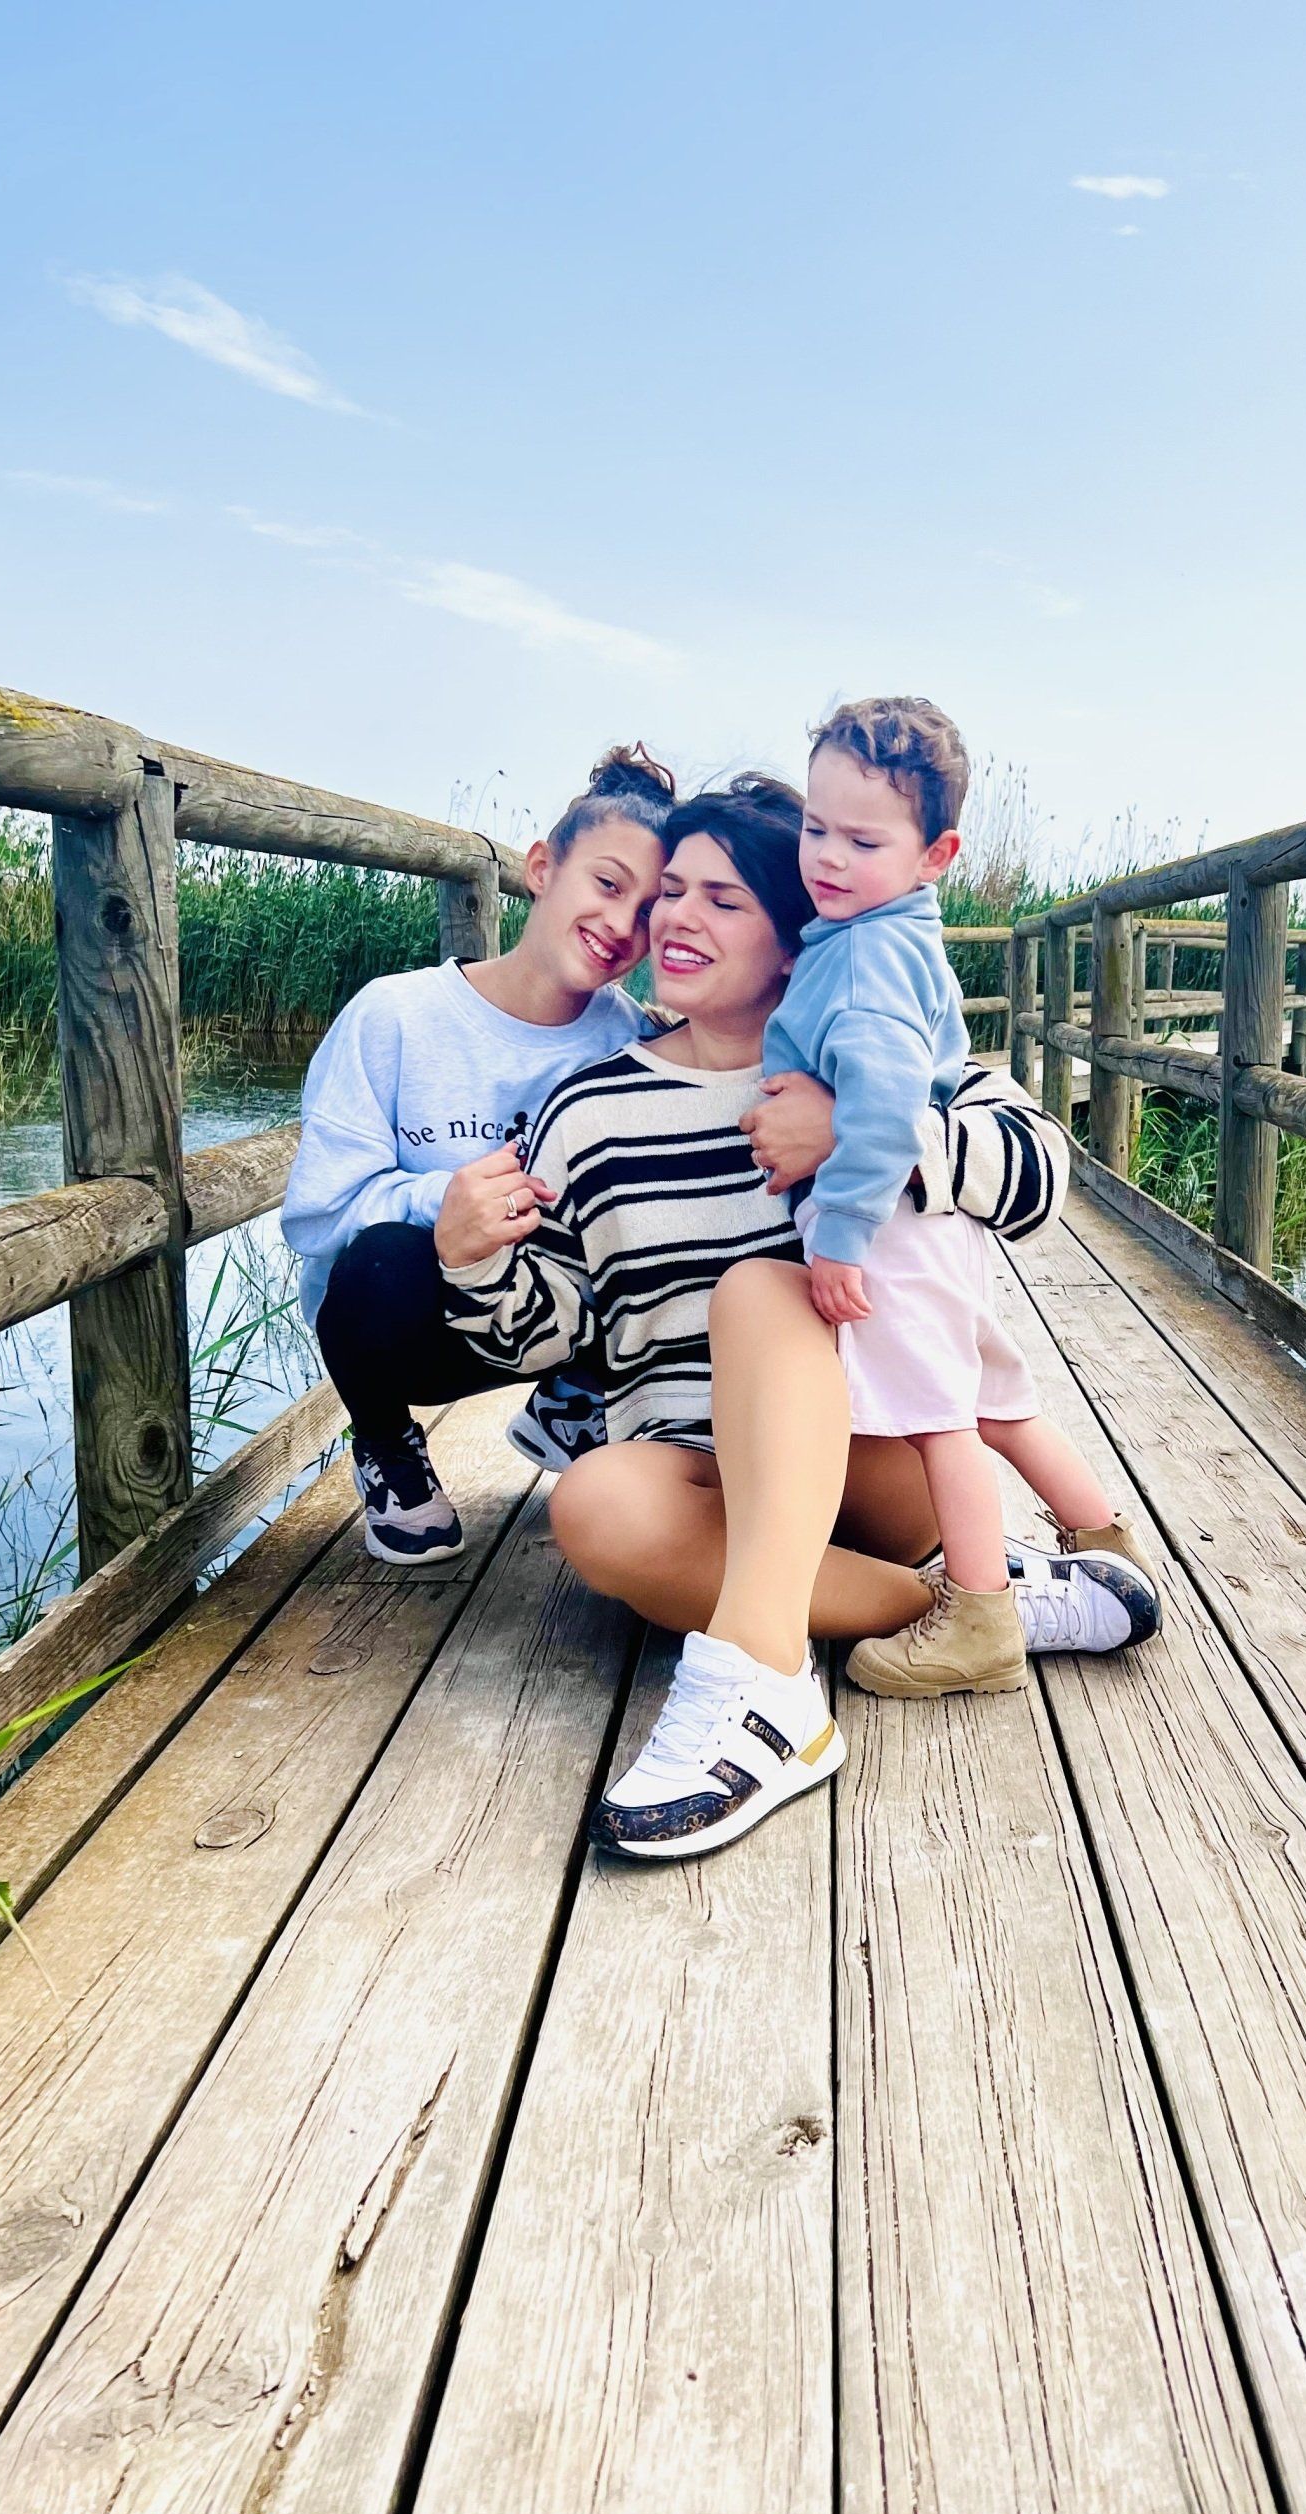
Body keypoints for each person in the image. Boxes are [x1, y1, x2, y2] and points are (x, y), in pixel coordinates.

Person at [437, 776, 1159, 1861]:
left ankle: (761, 1687)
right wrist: (470, 1261)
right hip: (695, 1474)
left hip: (872, 1454)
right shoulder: (587, 1112)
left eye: (724, 900)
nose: (676, 917)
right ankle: (972, 1600)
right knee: (592, 1508)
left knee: (762, 1292)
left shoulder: (880, 1057)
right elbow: (541, 1334)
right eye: (672, 891)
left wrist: (871, 1132)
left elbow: (1043, 1174)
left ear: (795, 938)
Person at [770, 697, 1153, 1698]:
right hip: (934, 1229)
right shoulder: (889, 929)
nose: (828, 856)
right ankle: (1105, 1540)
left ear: (935, 853)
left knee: (938, 1415)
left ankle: (980, 1616)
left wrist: (841, 1238)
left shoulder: (864, 959)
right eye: (816, 828)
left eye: (863, 838)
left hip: (888, 1230)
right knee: (989, 1395)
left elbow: (889, 1110)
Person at [280, 747, 673, 1563]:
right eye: (606, 884)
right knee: (377, 1261)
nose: (619, 926)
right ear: (541, 868)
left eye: (647, 910)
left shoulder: (630, 1038)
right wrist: (442, 1202)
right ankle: (388, 1450)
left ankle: (578, 1397)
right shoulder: (393, 1017)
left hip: (548, 1313)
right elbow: (316, 1216)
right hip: (412, 1324)